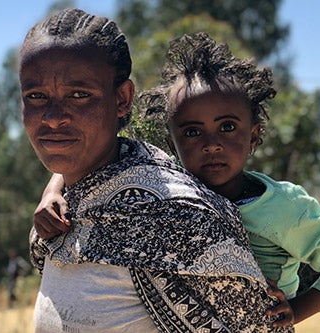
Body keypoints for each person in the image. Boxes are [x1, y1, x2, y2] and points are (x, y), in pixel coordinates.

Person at [35, 31, 320, 327]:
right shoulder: (165, 185)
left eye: (227, 127)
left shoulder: (285, 207)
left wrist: (295, 310)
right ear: (171, 145)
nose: (211, 144)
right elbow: (100, 156)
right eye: (192, 132)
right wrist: (53, 189)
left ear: (254, 135)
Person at [20, 8, 293, 333]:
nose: (53, 117)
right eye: (36, 96)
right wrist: (54, 188)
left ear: (122, 99)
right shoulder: (64, 209)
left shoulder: (180, 216)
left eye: (80, 95)